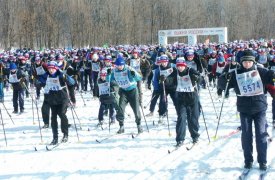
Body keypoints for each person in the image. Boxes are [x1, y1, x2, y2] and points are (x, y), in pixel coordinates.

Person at [219, 50, 275, 170]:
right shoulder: (236, 73)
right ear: (241, 62)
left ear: (253, 62)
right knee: (246, 135)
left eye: (250, 62)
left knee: (261, 134)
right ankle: (248, 160)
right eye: (245, 62)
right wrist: (225, 78)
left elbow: (271, 78)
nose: (247, 64)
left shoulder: (260, 71)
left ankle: (262, 161)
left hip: (259, 108)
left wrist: (273, 75)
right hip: (244, 109)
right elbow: (223, 85)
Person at [38, 61, 75, 145]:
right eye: (49, 68)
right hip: (52, 98)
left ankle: (65, 134)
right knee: (53, 118)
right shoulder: (46, 76)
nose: (51, 70)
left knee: (62, 114)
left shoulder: (61, 74)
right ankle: (55, 137)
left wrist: (67, 78)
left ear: (55, 68)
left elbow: (72, 82)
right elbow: (41, 82)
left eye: (52, 68)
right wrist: (38, 84)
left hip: (62, 97)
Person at [110, 56, 143, 134]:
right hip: (123, 91)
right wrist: (108, 75)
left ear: (123, 64)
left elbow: (139, 78)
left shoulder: (129, 69)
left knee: (136, 108)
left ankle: (139, 125)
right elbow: (111, 80)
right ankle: (121, 126)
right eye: (118, 65)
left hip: (132, 90)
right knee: (120, 108)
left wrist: (134, 75)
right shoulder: (114, 71)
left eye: (121, 65)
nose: (120, 67)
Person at [174, 58, 200, 147]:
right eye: (178, 66)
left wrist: (196, 78)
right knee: (181, 118)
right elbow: (170, 80)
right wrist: (164, 80)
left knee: (193, 119)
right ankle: (180, 139)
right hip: (181, 99)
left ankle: (195, 136)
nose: (180, 68)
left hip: (192, 98)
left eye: (181, 66)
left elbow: (199, 77)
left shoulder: (190, 70)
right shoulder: (175, 72)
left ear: (184, 65)